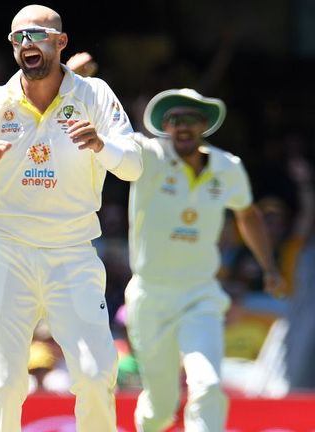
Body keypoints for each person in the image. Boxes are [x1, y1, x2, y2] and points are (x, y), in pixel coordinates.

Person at [0, 5, 142, 431]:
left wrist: (102, 145)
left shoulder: (94, 96)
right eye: (19, 38)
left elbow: (135, 165)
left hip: (73, 255)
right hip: (8, 253)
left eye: (38, 36)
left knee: (96, 375)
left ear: (61, 42)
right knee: (2, 383)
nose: (27, 45)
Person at [124, 88, 284, 431]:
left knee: (209, 384)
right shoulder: (148, 155)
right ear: (165, 125)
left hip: (200, 295)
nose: (183, 126)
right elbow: (117, 146)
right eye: (175, 119)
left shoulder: (227, 166)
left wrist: (269, 268)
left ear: (204, 125)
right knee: (161, 407)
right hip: (151, 297)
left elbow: (247, 214)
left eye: (191, 119)